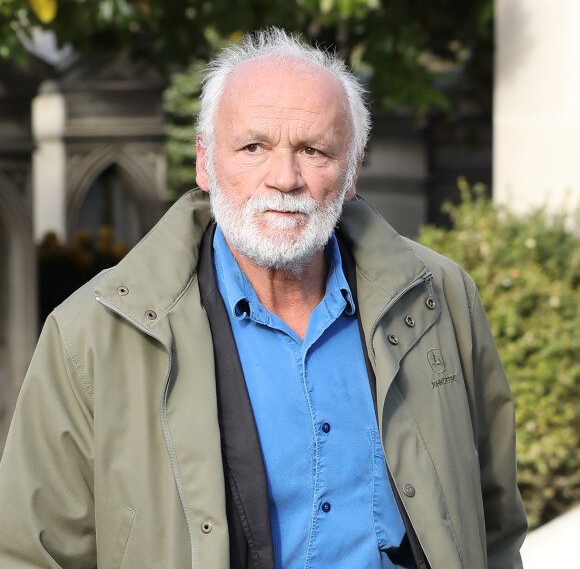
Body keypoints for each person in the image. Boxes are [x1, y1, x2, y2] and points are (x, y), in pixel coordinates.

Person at [0, 28, 527, 568]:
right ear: (206, 162)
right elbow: (33, 553)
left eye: (314, 150)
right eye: (254, 147)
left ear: (351, 171)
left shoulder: (439, 296)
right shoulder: (93, 332)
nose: (285, 178)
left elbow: (495, 524)